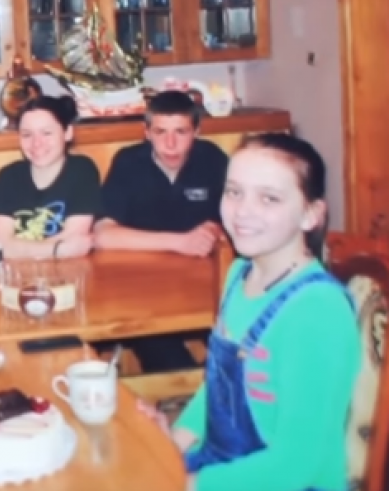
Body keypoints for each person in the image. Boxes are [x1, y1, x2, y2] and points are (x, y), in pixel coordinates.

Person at [143, 133, 360, 491]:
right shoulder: (239, 273)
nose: (243, 211)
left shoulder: (317, 311)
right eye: (234, 192)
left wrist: (183, 484)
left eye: (269, 198)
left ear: (311, 215)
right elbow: (218, 388)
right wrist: (172, 446)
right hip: (223, 465)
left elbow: (296, 466)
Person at [94, 90, 230, 372]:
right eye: (160, 132)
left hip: (202, 287)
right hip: (141, 290)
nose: (170, 143)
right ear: (146, 133)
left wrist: (216, 228)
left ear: (197, 132)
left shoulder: (213, 159)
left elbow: (236, 223)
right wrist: (179, 242)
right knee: (168, 360)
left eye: (180, 132)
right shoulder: (129, 162)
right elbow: (103, 235)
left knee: (237, 347)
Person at [0, 94, 100, 259]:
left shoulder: (82, 170)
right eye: (27, 135)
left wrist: (21, 249)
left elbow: (76, 240)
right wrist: (57, 250)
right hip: (19, 273)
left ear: (67, 132)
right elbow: (2, 246)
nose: (36, 143)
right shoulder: (8, 177)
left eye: (46, 133)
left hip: (69, 272)